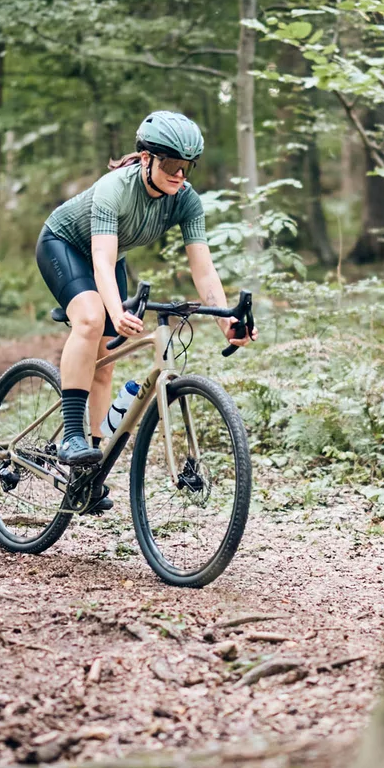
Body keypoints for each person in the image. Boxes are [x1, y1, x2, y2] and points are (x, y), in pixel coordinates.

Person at [38, 110, 255, 504]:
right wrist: (114, 310)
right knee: (90, 319)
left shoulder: (186, 201)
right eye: (171, 165)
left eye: (188, 166)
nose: (180, 175)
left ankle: (87, 472)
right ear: (145, 158)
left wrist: (225, 321)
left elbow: (203, 269)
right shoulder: (114, 189)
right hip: (64, 246)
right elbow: (101, 260)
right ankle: (71, 436)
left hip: (110, 260)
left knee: (106, 363)